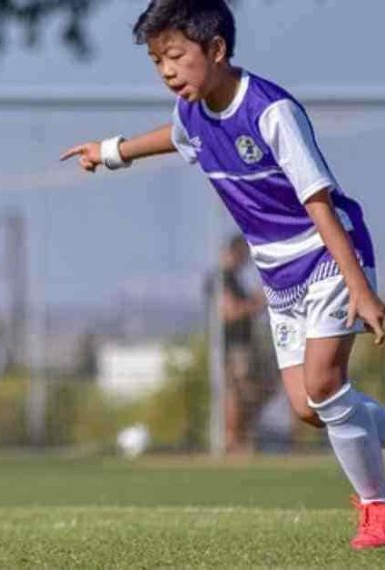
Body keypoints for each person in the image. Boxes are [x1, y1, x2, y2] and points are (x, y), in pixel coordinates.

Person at [60, 0, 385, 549]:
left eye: (176, 56)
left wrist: (361, 288)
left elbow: (319, 201)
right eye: (157, 60)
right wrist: (111, 151)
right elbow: (176, 137)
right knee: (310, 409)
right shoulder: (191, 112)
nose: (166, 71)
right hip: (278, 274)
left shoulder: (269, 110)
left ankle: (376, 509)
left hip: (328, 253)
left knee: (325, 385)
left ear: (216, 49)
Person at [209, 234, 267, 453]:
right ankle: (233, 441)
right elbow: (229, 312)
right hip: (233, 348)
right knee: (235, 393)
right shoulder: (221, 278)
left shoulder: (233, 278)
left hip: (241, 345)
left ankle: (240, 438)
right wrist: (259, 303)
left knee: (247, 392)